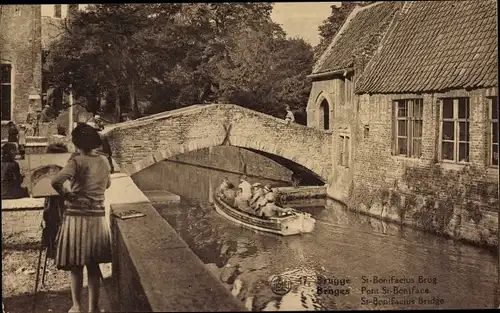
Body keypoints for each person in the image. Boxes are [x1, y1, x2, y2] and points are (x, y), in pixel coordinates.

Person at [51, 123, 112, 313]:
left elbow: (56, 181)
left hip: (76, 217)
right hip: (96, 216)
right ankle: (94, 308)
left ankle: (77, 306)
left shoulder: (76, 161)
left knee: (76, 265)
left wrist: (67, 194)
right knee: (93, 266)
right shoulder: (104, 161)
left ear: (76, 142)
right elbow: (108, 184)